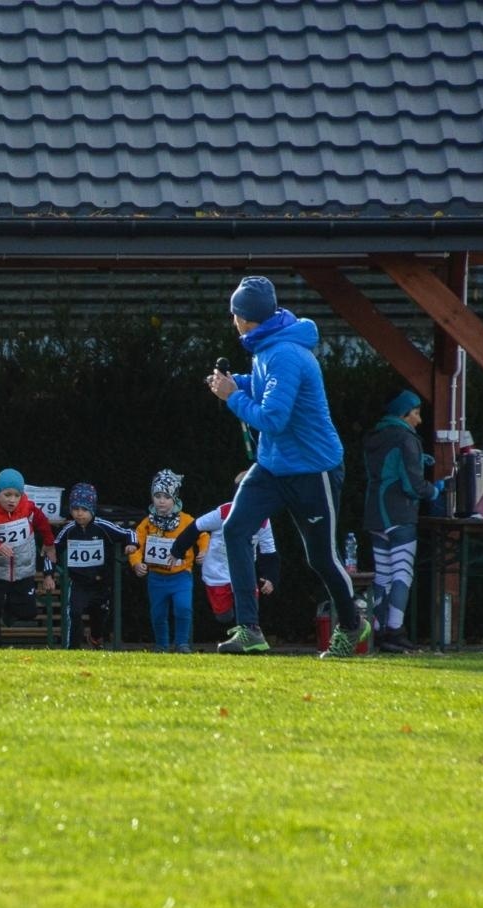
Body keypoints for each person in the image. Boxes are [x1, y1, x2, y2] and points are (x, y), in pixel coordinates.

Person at [208, 275, 372, 658]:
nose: (233, 320)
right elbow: (266, 387)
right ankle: (249, 630)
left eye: (234, 314)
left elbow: (273, 418)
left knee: (321, 558)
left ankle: (352, 625)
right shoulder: (267, 345)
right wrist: (237, 383)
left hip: (313, 469)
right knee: (235, 529)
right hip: (273, 465)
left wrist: (232, 397)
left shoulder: (284, 353)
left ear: (245, 317)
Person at [362, 389, 439, 652]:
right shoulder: (406, 438)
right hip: (399, 515)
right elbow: (412, 486)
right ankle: (395, 632)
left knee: (382, 575)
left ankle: (376, 629)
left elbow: (386, 470)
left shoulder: (375, 436)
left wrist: (418, 460)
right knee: (402, 574)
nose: (419, 420)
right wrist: (434, 490)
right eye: (415, 413)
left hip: (375, 513)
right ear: (403, 414)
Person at [173, 493, 280, 634]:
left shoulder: (263, 518)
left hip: (244, 571)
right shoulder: (223, 512)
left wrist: (271, 577)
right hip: (217, 572)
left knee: (249, 609)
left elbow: (269, 550)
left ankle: (248, 632)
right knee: (224, 617)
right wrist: (177, 550)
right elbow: (196, 527)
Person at [0, 468, 57, 646]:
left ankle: (8, 611)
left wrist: (49, 542)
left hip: (23, 571)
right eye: (7, 495)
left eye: (16, 495)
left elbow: (43, 523)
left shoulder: (29, 509)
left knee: (29, 612)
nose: (12, 500)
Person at [129, 469, 205, 653]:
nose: (161, 501)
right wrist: (136, 562)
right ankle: (161, 645)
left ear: (175, 498)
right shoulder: (147, 522)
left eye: (166, 497)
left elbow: (203, 534)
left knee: (183, 608)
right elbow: (136, 543)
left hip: (181, 575)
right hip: (156, 577)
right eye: (157, 496)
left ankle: (182, 644)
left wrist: (204, 550)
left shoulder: (186, 520)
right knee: (158, 613)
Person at [54, 483, 136, 650]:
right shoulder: (68, 530)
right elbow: (52, 549)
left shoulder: (102, 526)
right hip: (78, 582)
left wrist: (132, 544)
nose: (79, 513)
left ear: (92, 509)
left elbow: (129, 533)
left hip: (100, 582)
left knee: (100, 615)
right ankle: (72, 649)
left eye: (84, 509)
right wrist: (49, 573)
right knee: (74, 612)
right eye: (75, 509)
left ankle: (95, 638)